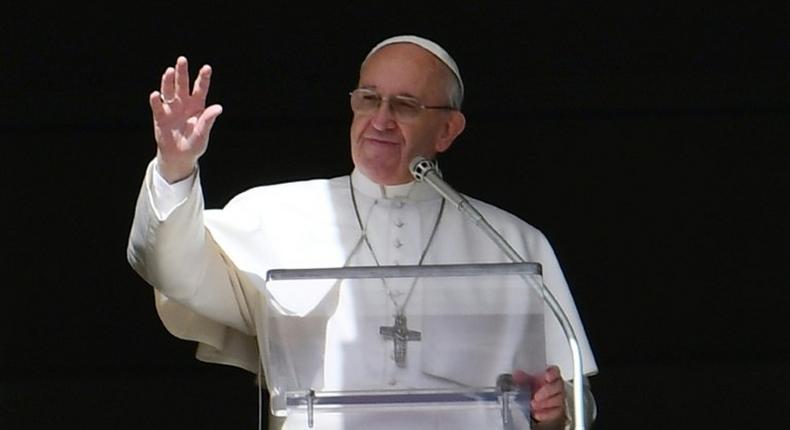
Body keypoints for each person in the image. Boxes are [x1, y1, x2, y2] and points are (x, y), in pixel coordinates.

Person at [127, 35, 598, 429]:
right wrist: (176, 167)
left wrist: (554, 410)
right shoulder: (274, 213)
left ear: (448, 130)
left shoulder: (512, 243)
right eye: (369, 99)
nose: (381, 119)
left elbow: (575, 400)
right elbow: (172, 269)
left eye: (406, 105)